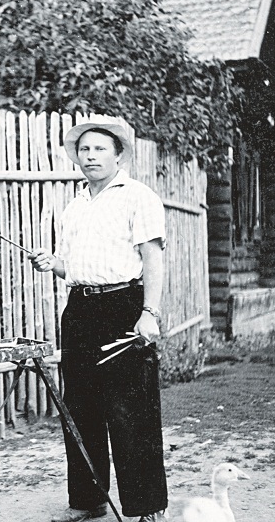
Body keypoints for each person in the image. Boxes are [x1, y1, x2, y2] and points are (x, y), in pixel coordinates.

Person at [29, 117, 168, 522]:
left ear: (119, 155)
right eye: (84, 150)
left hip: (124, 307)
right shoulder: (76, 205)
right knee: (81, 408)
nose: (90, 156)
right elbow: (74, 268)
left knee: (131, 411)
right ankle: (88, 501)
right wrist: (53, 263)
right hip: (80, 310)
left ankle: (147, 507)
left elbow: (153, 258)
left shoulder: (138, 197)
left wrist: (149, 312)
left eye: (100, 149)